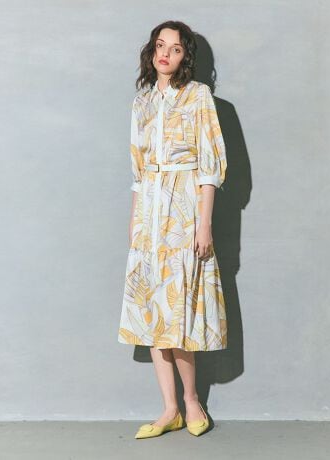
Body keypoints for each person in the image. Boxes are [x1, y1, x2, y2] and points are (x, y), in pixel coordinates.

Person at [117, 20, 227, 439]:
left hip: (183, 208)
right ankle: (169, 409)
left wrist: (204, 223)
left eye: (175, 48)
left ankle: (192, 400)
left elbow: (210, 166)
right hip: (149, 209)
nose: (165, 54)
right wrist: (135, 222)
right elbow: (138, 170)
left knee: (179, 310)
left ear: (185, 57)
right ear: (152, 51)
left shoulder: (198, 96)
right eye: (160, 45)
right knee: (153, 311)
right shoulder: (142, 102)